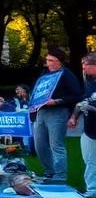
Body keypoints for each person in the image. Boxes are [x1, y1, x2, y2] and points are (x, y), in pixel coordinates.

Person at [34, 47, 82, 183]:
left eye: (51, 60)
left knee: (56, 145)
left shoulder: (67, 75)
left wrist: (57, 101)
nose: (48, 63)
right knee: (39, 145)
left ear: (59, 61)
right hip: (41, 111)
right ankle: (50, 172)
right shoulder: (44, 74)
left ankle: (60, 176)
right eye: (47, 60)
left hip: (58, 112)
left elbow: (77, 95)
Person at [68, 54, 96, 198]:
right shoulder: (88, 82)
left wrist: (91, 108)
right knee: (89, 161)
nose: (83, 68)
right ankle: (92, 190)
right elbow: (82, 102)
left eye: (85, 64)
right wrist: (74, 116)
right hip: (89, 129)